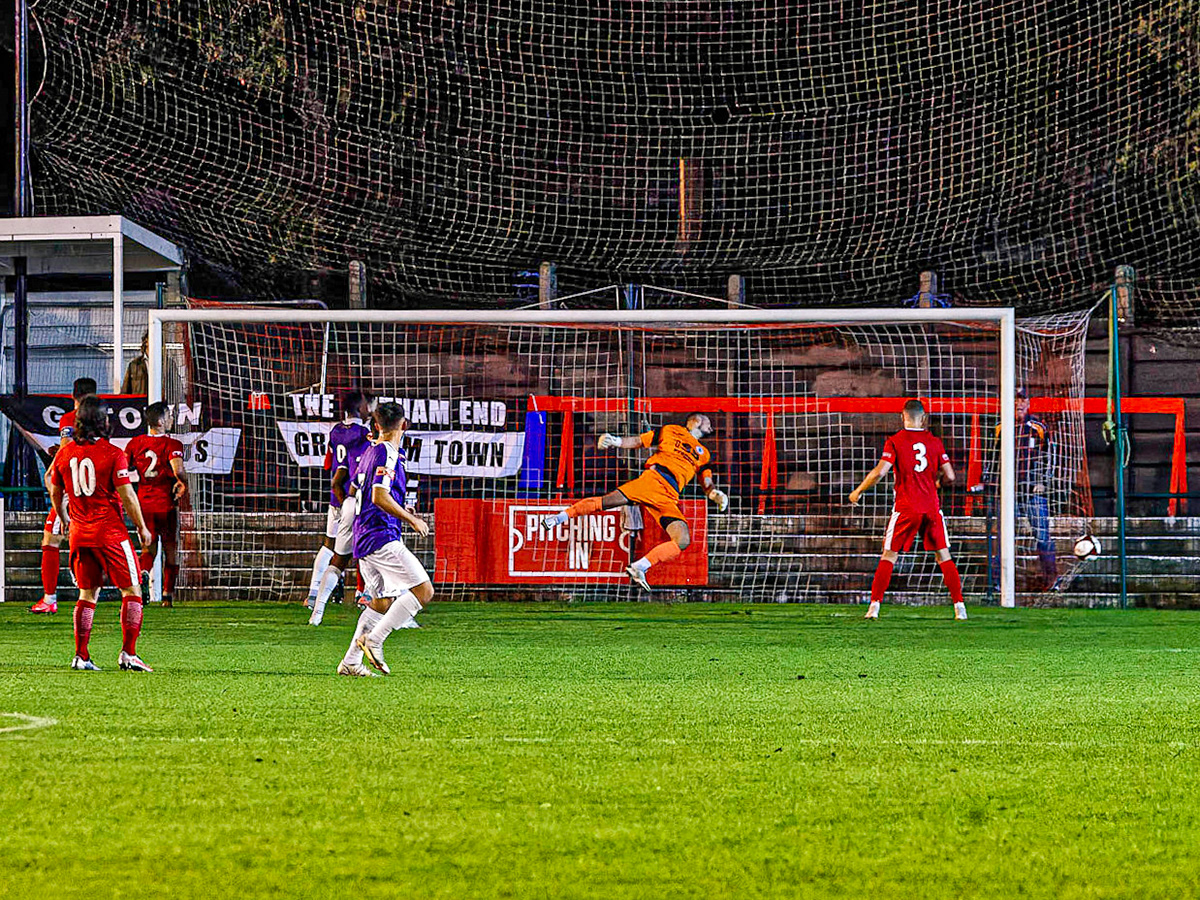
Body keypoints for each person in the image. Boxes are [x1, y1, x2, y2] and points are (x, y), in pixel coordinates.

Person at [542, 414, 730, 592]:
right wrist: (615, 441)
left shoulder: (703, 453)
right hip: (654, 480)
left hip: (670, 495)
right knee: (606, 502)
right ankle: (558, 518)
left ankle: (640, 566)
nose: (711, 425)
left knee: (682, 540)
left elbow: (706, 480)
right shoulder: (671, 430)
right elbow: (640, 441)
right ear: (696, 420)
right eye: (707, 421)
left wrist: (715, 494)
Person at [46, 396, 153, 671]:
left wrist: (64, 518)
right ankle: (128, 653)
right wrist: (141, 527)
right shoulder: (112, 453)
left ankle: (81, 655)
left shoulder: (65, 453)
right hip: (109, 532)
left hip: (80, 533)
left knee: (87, 594)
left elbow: (55, 490)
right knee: (132, 590)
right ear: (102, 422)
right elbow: (127, 495)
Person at [849, 399, 968, 621]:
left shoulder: (895, 441)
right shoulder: (935, 442)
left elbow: (880, 472)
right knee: (944, 555)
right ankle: (959, 607)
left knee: (889, 555)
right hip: (931, 507)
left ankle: (874, 606)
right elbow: (951, 475)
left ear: (902, 417)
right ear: (923, 418)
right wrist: (938, 484)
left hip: (906, 507)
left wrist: (858, 491)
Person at [338, 403, 432, 677]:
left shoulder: (369, 452)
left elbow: (361, 489)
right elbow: (379, 496)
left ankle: (351, 662)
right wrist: (411, 519)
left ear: (376, 425)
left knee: (380, 603)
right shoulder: (387, 453)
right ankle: (374, 641)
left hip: (364, 535)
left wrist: (401, 508)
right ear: (405, 425)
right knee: (424, 591)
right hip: (380, 536)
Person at [970, 387, 1057, 590]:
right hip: (1007, 492)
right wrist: (987, 480)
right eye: (1015, 400)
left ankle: (1051, 579)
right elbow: (992, 457)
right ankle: (997, 583)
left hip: (1032, 492)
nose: (1019, 404)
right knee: (1002, 537)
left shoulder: (1038, 427)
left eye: (1022, 400)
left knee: (1042, 535)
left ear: (1028, 402)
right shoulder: (1000, 427)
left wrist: (1042, 482)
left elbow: (1049, 458)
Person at [32, 377, 98, 614]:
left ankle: (51, 598)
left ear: (73, 396)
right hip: (96, 488)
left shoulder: (71, 418)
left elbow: (68, 445)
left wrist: (54, 463)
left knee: (50, 539)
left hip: (72, 487)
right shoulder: (102, 418)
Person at [308, 391, 374, 625]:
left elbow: (330, 464)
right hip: (357, 499)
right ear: (361, 408)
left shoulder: (335, 431)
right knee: (364, 548)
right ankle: (364, 594)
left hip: (337, 498)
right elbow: (366, 466)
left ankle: (314, 596)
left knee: (331, 547)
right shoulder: (366, 435)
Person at [126, 402, 188, 607]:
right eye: (169, 416)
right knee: (171, 549)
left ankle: (143, 574)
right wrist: (182, 482)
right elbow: (177, 469)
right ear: (161, 421)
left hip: (143, 505)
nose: (171, 420)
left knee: (147, 550)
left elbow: (124, 468)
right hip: (166, 505)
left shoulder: (135, 444)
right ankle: (167, 597)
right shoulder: (172, 445)